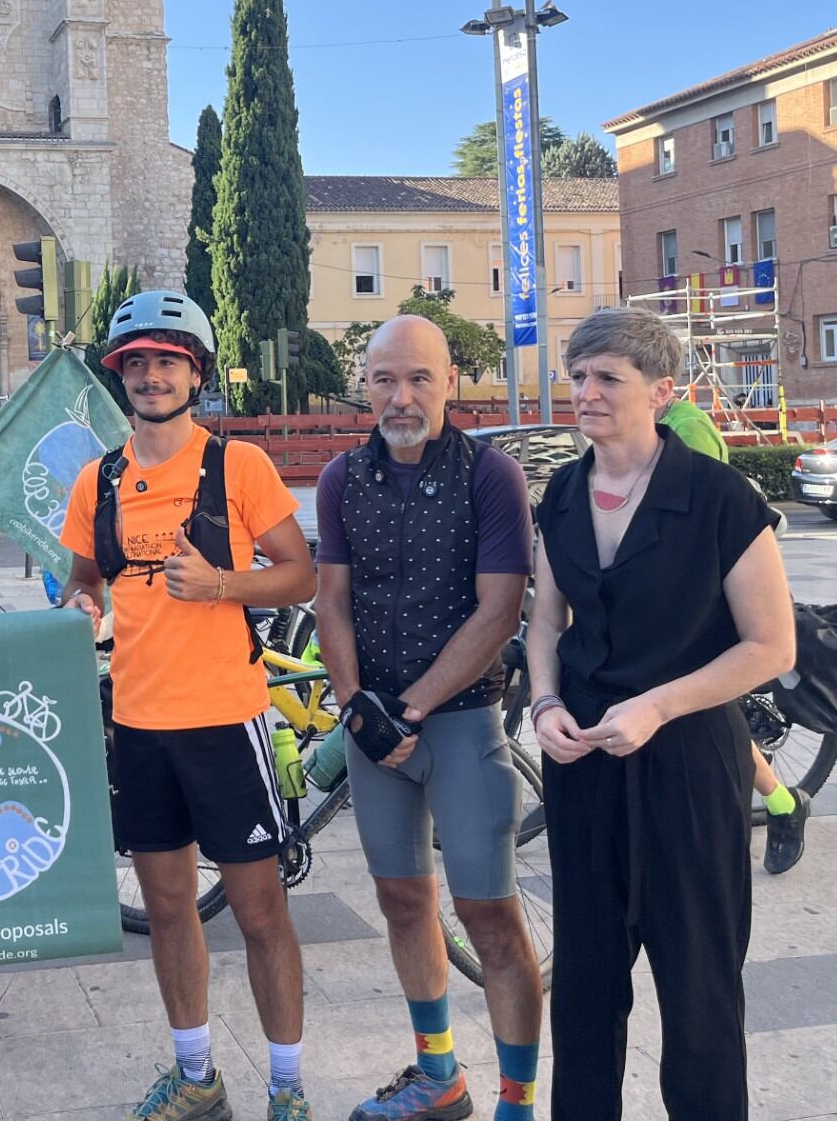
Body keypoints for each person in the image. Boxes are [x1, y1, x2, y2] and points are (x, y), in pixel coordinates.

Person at [525, 308, 796, 1119]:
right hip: (581, 770)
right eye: (577, 377)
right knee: (582, 991)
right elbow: (544, 623)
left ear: (661, 391)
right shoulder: (564, 494)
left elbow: (771, 646)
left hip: (688, 771)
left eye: (608, 377)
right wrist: (542, 704)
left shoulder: (719, 498)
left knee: (701, 992)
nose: (586, 392)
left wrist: (657, 704)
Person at [59, 291, 318, 1121]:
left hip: (224, 718)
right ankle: (198, 1074)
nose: (150, 375)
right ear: (120, 378)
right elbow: (84, 579)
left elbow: (300, 574)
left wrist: (220, 586)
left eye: (167, 360)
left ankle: (287, 1088)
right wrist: (79, 607)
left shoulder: (236, 466)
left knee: (259, 910)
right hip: (137, 723)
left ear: (194, 372)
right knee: (168, 908)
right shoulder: (97, 478)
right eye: (136, 362)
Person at [313, 315, 542, 1121]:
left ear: (450, 381)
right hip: (375, 727)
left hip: (459, 723)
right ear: (365, 384)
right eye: (384, 379)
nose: (401, 396)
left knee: (489, 914)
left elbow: (499, 609)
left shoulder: (491, 475)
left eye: (418, 378)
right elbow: (330, 600)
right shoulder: (344, 479)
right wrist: (355, 708)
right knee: (403, 903)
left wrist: (409, 708)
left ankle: (518, 1101)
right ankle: (439, 1075)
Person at [655, 392, 812, 873]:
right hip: (666, 589)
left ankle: (783, 804)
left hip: (706, 591)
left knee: (703, 705)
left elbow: (700, 517)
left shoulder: (688, 424)